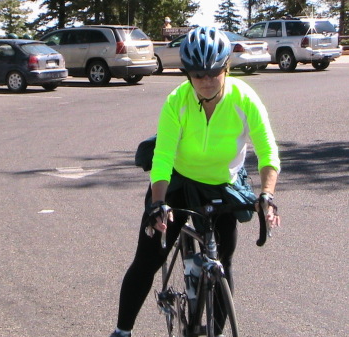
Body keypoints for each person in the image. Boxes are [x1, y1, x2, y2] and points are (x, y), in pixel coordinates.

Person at [109, 26, 281, 337]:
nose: (206, 81)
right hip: (177, 181)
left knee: (222, 261)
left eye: (214, 72)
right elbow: (163, 156)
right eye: (198, 74)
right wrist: (158, 202)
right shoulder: (178, 101)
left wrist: (267, 195)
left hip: (222, 183)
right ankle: (122, 331)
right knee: (148, 259)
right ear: (187, 74)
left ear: (226, 67)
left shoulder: (244, 99)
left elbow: (268, 152)